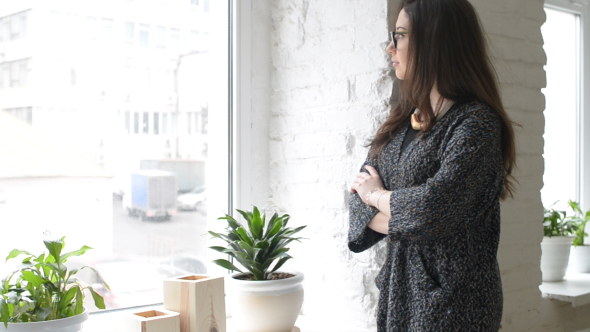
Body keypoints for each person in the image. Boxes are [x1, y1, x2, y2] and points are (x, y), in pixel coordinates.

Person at [347, 0, 517, 331]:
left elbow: (434, 207)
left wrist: (378, 197)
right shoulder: (401, 123)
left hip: (456, 303)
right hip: (400, 296)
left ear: (434, 41)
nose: (389, 47)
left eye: (399, 36)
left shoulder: (476, 123)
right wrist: (401, 211)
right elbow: (358, 200)